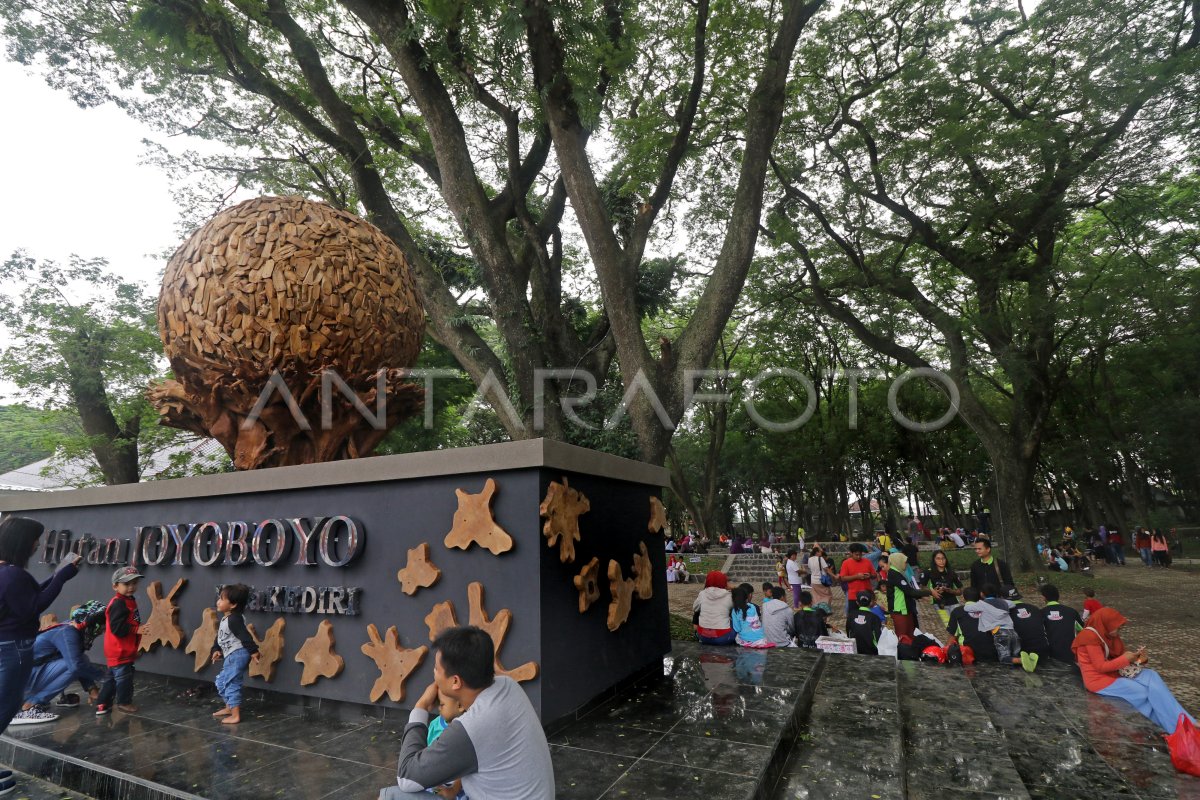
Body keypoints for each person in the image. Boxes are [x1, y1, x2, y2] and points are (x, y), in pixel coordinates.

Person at [384, 626, 554, 799]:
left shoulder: (470, 727)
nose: (433, 674)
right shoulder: (508, 686)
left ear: (455, 681)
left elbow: (406, 777)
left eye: (436, 669)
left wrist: (421, 707)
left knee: (391, 796)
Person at [0, 516, 81, 797]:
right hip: (13, 649)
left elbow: (29, 593)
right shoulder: (11, 574)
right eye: (36, 539)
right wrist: (61, 577)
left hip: (8, 646)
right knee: (6, 706)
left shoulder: (8, 572)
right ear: (22, 542)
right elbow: (34, 606)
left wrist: (58, 574)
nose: (38, 544)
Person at [1072, 608, 1195, 735]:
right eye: (1118, 628)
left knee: (1152, 675)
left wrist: (1139, 659)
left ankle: (1186, 721)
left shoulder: (1107, 634)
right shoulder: (1089, 637)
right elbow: (1101, 667)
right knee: (1143, 692)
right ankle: (1173, 728)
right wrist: (1125, 659)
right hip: (1099, 680)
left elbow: (1119, 659)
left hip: (1114, 672)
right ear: (1106, 624)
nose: (1119, 631)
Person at [10, 600, 106, 725]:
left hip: (20, 680)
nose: (102, 631)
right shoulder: (67, 632)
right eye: (102, 627)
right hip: (17, 681)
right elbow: (76, 665)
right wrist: (106, 677)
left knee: (77, 660)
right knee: (76, 663)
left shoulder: (68, 628)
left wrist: (93, 690)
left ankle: (34, 701)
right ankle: (30, 706)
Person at [209, 583, 261, 725]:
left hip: (237, 655)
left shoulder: (234, 619)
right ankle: (229, 707)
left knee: (231, 683)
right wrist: (216, 649)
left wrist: (253, 651)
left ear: (233, 605)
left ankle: (235, 715)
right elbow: (220, 637)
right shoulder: (227, 618)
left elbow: (244, 635)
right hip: (231, 655)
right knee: (221, 682)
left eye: (221, 599)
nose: (218, 601)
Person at [95, 566, 143, 716]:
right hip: (119, 650)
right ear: (115, 586)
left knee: (112, 678)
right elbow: (117, 628)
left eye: (134, 583)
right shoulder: (119, 603)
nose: (131, 587)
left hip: (123, 649)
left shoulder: (128, 600)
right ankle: (124, 702)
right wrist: (136, 630)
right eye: (126, 584)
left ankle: (102, 703)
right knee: (124, 678)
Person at [965, 584, 1027, 669]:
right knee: (1014, 654)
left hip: (1000, 633)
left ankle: (1022, 660)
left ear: (982, 594)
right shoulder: (1004, 602)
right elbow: (1012, 604)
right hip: (1012, 631)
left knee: (1004, 658)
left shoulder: (982, 604)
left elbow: (967, 608)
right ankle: (1026, 660)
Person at [885, 552, 935, 640]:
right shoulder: (894, 574)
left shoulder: (898, 573)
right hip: (899, 610)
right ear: (898, 561)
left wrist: (922, 595)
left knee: (911, 635)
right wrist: (929, 592)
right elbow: (910, 591)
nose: (907, 564)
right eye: (905, 562)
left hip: (906, 608)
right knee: (903, 637)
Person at [946, 587, 998, 662]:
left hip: (968, 654)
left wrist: (947, 654)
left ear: (964, 597)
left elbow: (952, 637)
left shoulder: (957, 612)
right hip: (991, 653)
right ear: (980, 596)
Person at [1038, 584, 1083, 664]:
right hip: (1072, 655)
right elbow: (1083, 630)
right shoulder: (1072, 612)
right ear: (1058, 596)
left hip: (1052, 657)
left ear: (1044, 597)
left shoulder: (1040, 613)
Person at [693, 571, 735, 645]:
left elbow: (695, 608)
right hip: (723, 638)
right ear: (724, 581)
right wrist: (733, 588)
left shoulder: (702, 593)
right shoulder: (729, 596)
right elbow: (740, 603)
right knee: (736, 620)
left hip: (703, 636)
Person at [923, 550, 962, 623]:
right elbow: (922, 589)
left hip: (954, 603)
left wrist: (951, 591)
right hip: (939, 604)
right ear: (934, 560)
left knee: (959, 624)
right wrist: (932, 592)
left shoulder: (951, 572)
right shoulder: (928, 573)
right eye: (938, 558)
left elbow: (960, 591)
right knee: (948, 626)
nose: (941, 561)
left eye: (943, 558)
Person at [838, 544, 875, 619]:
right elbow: (843, 578)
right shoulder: (846, 563)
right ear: (851, 553)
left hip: (867, 594)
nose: (859, 557)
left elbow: (874, 575)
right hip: (853, 596)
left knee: (867, 617)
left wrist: (870, 576)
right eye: (856, 555)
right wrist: (856, 576)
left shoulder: (867, 562)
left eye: (860, 555)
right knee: (853, 617)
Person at [1008, 597, 1050, 661]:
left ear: (1001, 597)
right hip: (1043, 650)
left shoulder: (1005, 612)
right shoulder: (1034, 608)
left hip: (1022, 652)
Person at [846, 591, 883, 656]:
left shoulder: (851, 615)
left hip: (855, 649)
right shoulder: (875, 618)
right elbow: (878, 637)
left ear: (857, 602)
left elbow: (848, 632)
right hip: (871, 652)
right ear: (871, 602)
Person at [806, 545, 834, 614]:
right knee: (827, 595)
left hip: (813, 581)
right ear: (817, 552)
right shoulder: (820, 558)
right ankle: (825, 610)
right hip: (821, 581)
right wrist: (834, 576)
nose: (821, 552)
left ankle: (817, 610)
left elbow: (810, 568)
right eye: (820, 551)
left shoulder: (810, 559)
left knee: (815, 596)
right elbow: (826, 569)